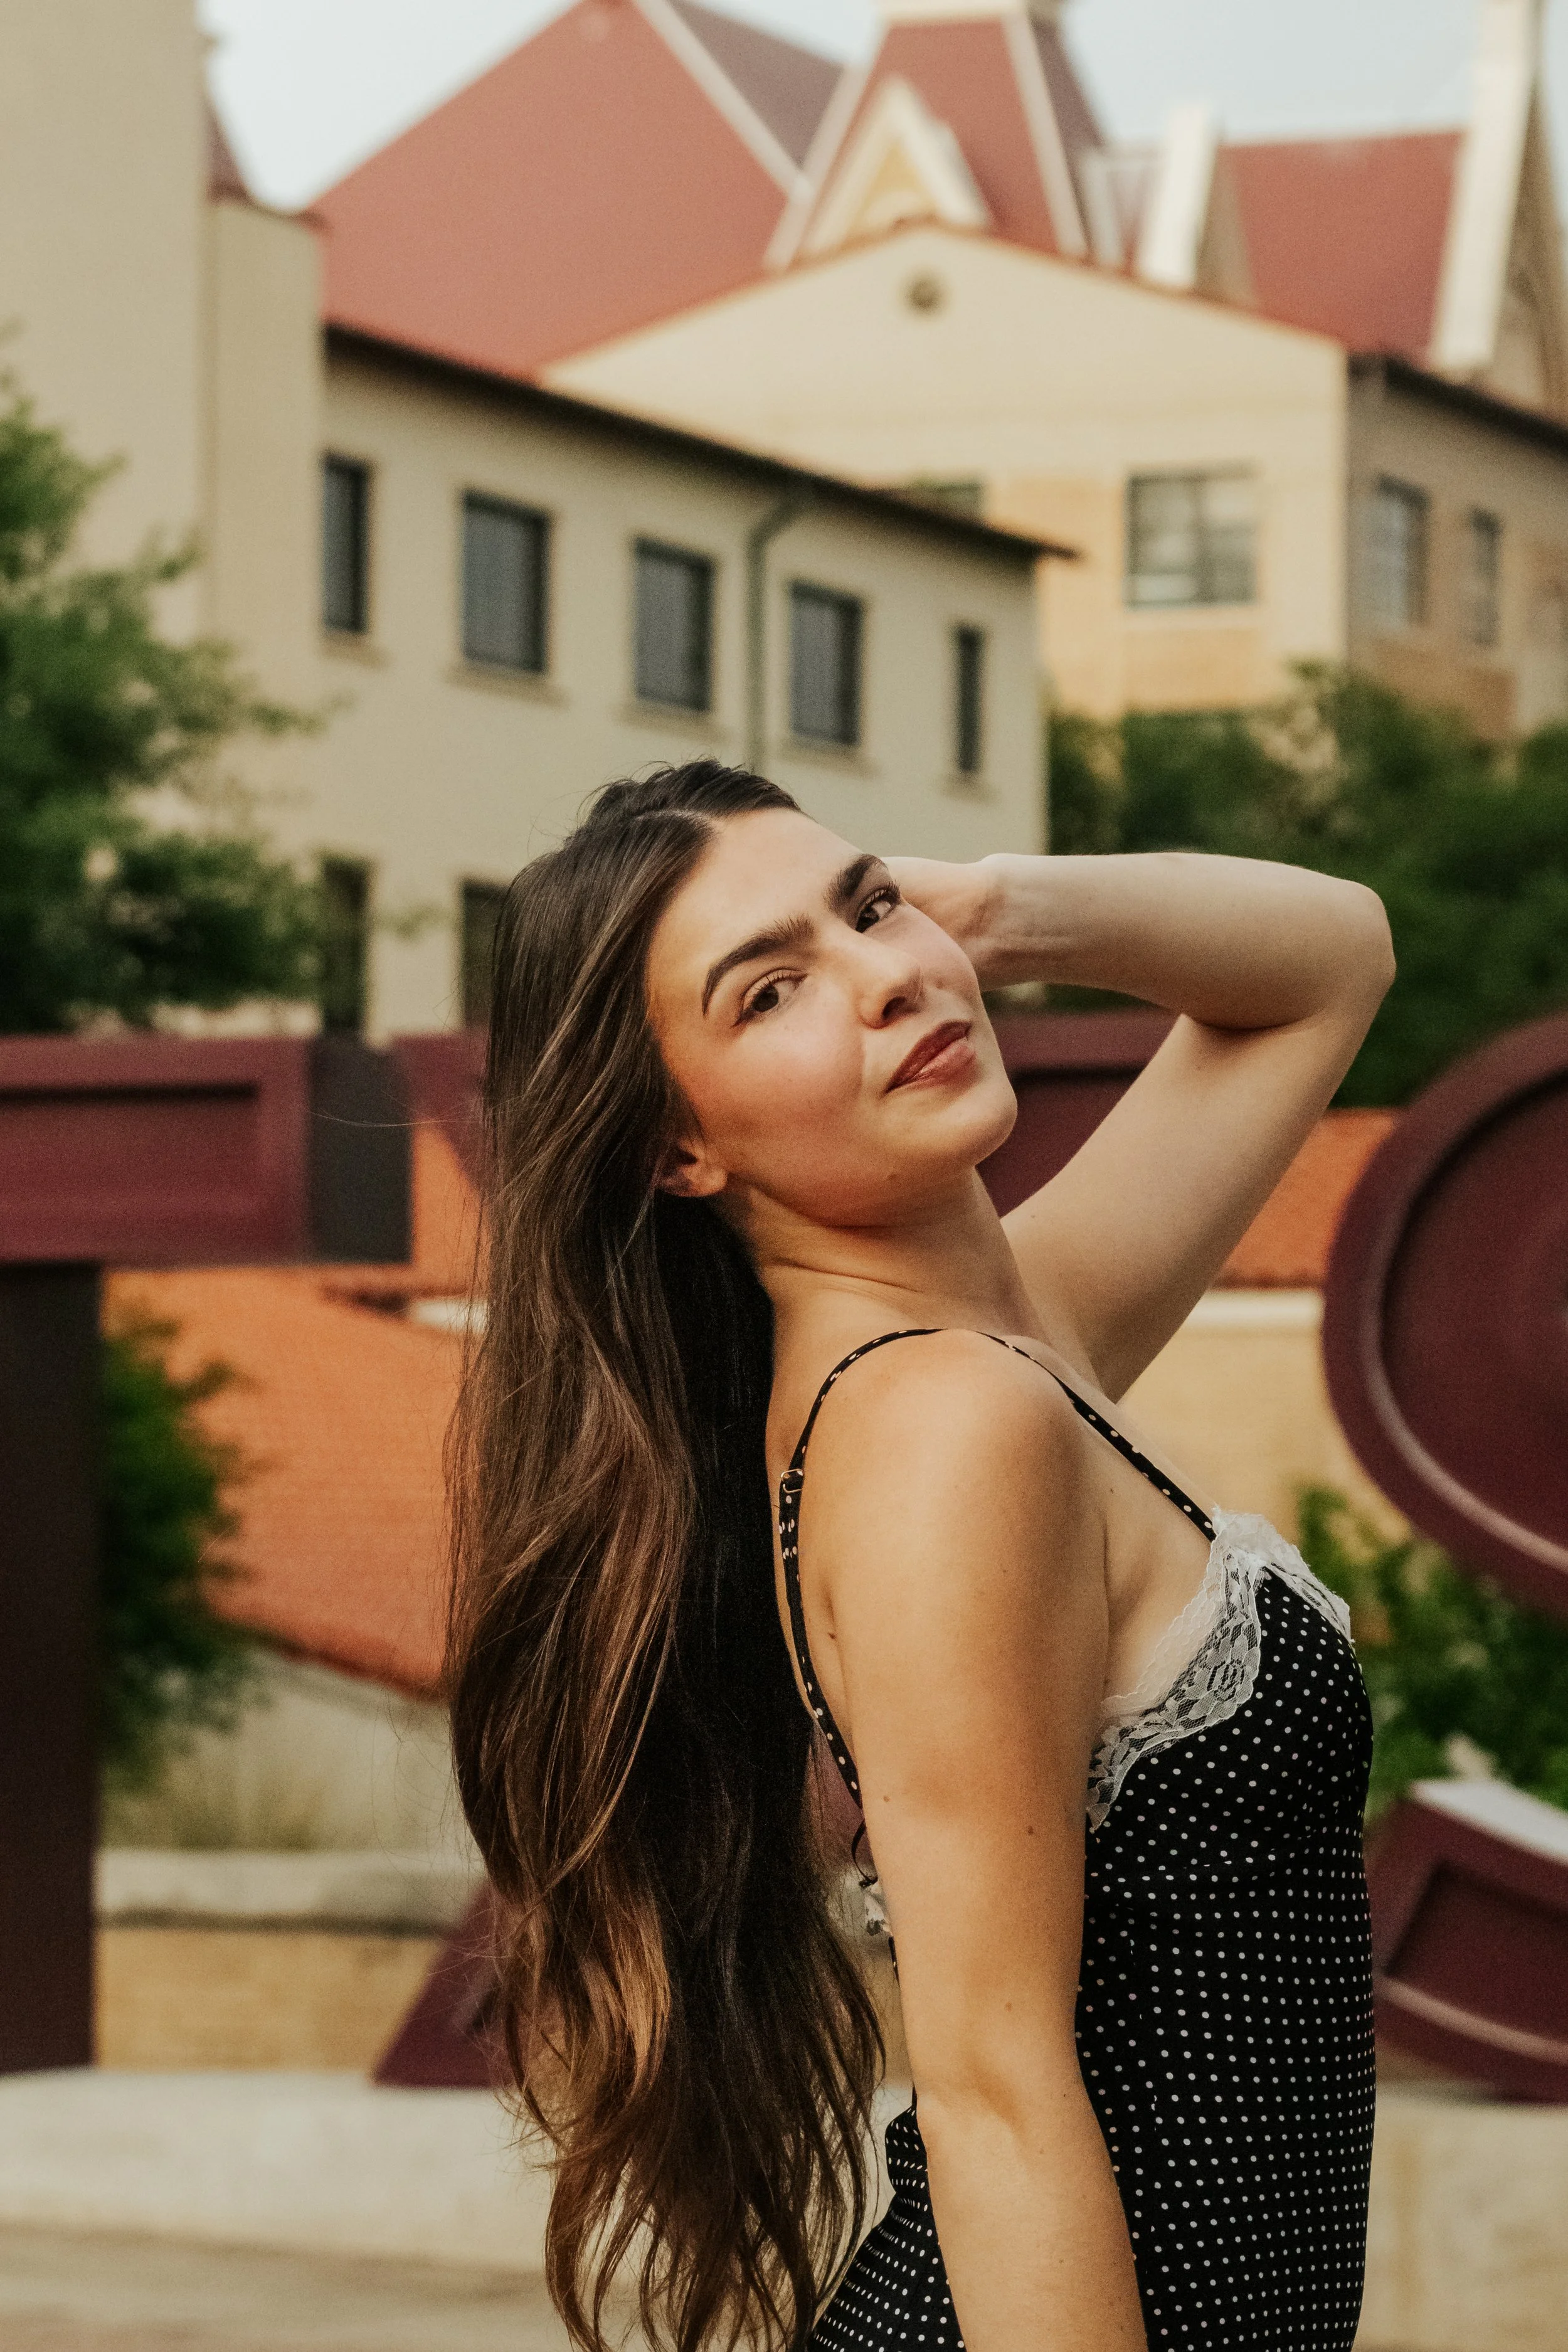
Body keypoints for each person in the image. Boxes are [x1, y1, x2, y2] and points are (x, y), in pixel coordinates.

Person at [448, 760, 1394, 2352]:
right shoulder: (948, 1429)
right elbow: (994, 2095)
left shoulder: (1024, 1331)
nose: (885, 979)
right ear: (678, 1152)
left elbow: (1330, 960)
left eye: (868, 904)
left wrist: (979, 912)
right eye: (769, 994)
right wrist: (888, 929)